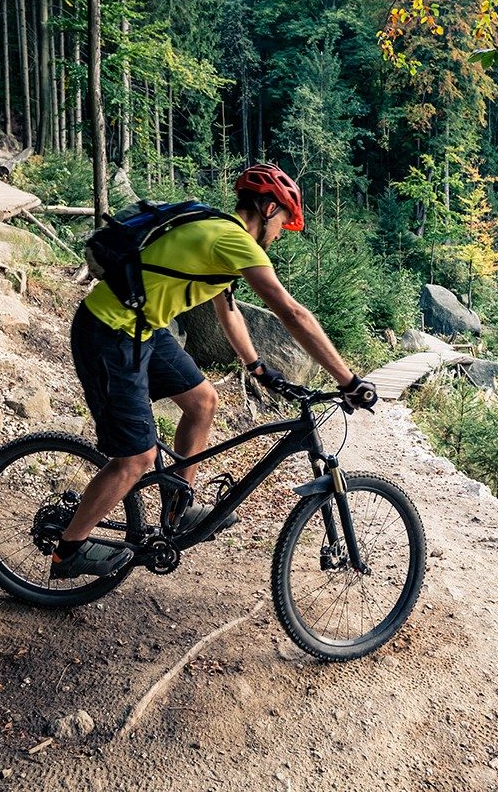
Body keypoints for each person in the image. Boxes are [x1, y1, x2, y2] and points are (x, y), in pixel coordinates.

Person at [53, 164, 378, 579]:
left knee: (203, 401)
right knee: (137, 456)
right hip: (109, 332)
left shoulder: (221, 233)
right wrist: (348, 380)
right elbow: (291, 312)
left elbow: (228, 311)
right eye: (282, 222)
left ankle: (178, 505)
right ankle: (70, 549)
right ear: (267, 207)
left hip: (142, 328)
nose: (280, 234)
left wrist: (256, 365)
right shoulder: (231, 238)